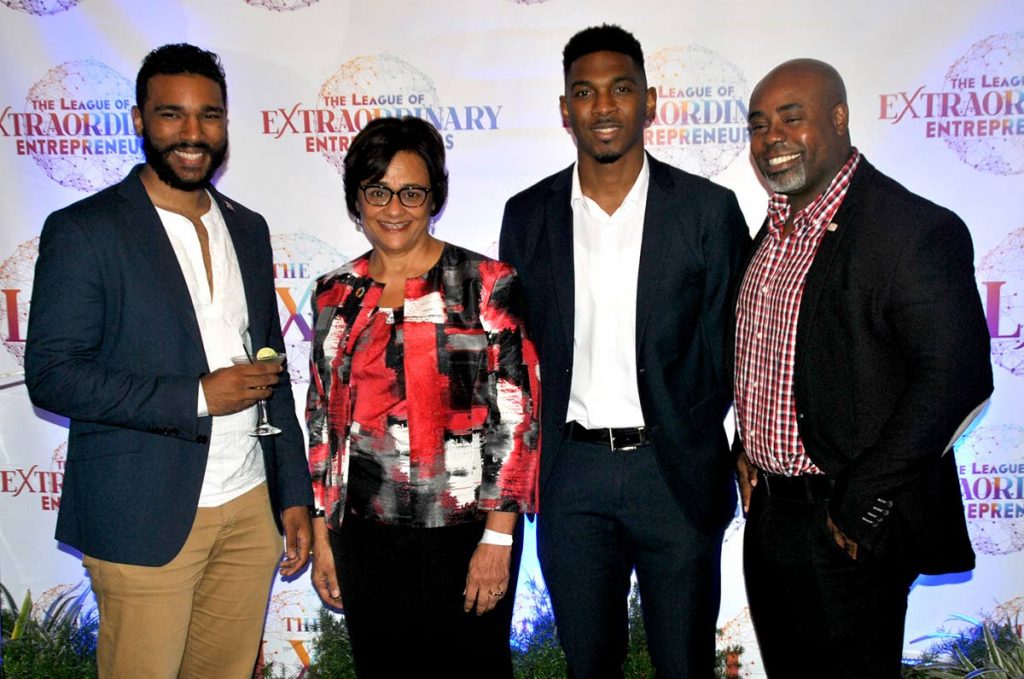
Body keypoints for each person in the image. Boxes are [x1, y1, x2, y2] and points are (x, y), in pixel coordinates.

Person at [24, 43, 313, 679]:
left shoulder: (249, 227)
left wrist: (294, 494)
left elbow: (271, 368)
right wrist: (197, 396)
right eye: (171, 115)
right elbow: (52, 374)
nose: (192, 134)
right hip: (142, 515)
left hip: (249, 506)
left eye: (209, 116)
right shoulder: (85, 229)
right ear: (137, 120)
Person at [499, 24, 750, 677]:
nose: (603, 107)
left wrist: (720, 437)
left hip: (673, 472)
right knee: (589, 665)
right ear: (564, 110)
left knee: (684, 663)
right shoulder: (527, 216)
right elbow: (513, 354)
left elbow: (736, 347)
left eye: (620, 89)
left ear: (650, 101)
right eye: (584, 92)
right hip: (571, 475)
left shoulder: (707, 211)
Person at [734, 58, 993, 677]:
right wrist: (746, 446)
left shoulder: (911, 229)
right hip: (771, 517)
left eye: (791, 118)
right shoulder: (773, 233)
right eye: (759, 124)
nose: (773, 138)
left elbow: (957, 379)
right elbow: (783, 358)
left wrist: (860, 503)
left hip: (847, 528)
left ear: (840, 118)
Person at [306, 115, 539, 678]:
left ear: (434, 196)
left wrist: (498, 539)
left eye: (412, 192)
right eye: (377, 191)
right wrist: (323, 532)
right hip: (365, 537)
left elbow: (517, 417)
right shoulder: (335, 293)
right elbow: (322, 421)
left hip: (464, 537)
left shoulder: (484, 282)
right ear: (356, 198)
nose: (394, 207)